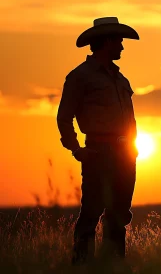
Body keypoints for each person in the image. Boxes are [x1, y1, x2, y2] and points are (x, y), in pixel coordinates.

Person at [56, 17, 140, 265]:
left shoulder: (121, 79)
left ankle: (113, 265)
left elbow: (131, 119)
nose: (122, 47)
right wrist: (76, 149)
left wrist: (132, 149)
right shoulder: (80, 77)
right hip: (98, 151)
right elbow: (64, 117)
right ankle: (81, 266)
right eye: (119, 41)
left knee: (119, 214)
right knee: (92, 211)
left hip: (125, 152)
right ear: (106, 42)